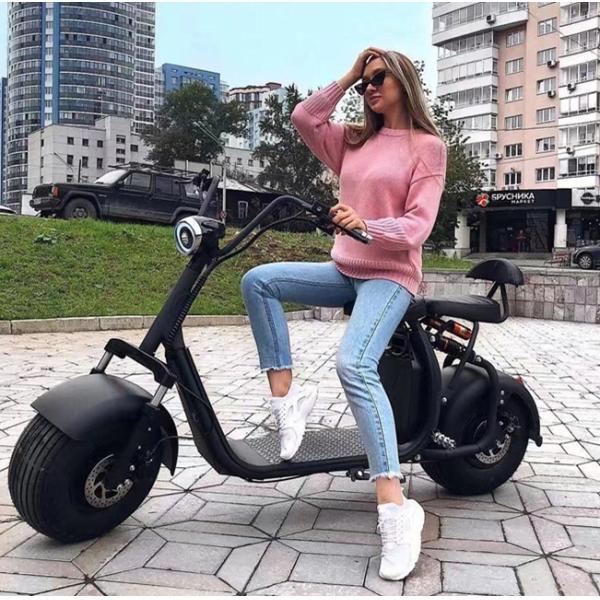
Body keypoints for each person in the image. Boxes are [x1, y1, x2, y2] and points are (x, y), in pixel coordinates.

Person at [240, 48, 447, 581]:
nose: (369, 88)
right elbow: (304, 118)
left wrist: (366, 226)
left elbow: (418, 228)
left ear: (403, 81)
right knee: (259, 281)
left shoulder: (427, 147)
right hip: (345, 268)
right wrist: (350, 72)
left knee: (354, 364)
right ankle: (288, 403)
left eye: (378, 79)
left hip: (390, 275)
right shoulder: (352, 141)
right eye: (364, 82)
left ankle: (395, 507)